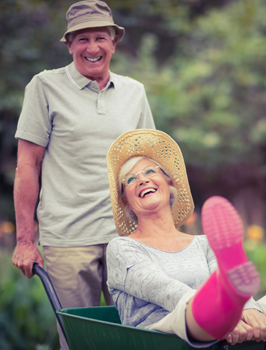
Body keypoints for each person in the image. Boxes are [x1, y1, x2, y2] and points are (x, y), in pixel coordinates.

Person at [12, 1, 155, 349]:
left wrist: (159, 229)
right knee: (82, 342)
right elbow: (27, 165)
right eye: (83, 39)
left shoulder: (134, 91)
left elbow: (148, 162)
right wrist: (25, 240)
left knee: (141, 336)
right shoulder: (45, 87)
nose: (92, 48)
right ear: (70, 44)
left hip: (128, 239)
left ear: (114, 42)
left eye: (101, 38)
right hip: (69, 239)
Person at [106, 129, 266, 347]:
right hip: (159, 333)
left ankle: (227, 306)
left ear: (169, 182)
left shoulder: (204, 243)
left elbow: (232, 283)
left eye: (150, 172)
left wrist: (250, 308)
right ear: (125, 200)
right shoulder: (122, 247)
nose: (142, 180)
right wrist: (223, 318)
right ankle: (216, 311)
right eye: (131, 179)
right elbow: (163, 289)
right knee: (185, 312)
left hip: (221, 322)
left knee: (249, 299)